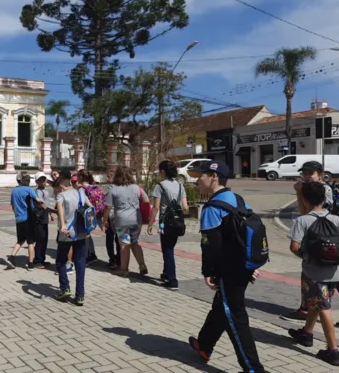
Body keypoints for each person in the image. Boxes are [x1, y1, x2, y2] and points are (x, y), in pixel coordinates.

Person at [186, 160, 265, 373]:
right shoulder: (236, 199)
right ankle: (204, 345)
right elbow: (249, 232)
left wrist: (208, 272)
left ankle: (253, 368)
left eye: (200, 175)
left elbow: (210, 245)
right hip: (243, 265)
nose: (197, 180)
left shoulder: (213, 207)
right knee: (222, 306)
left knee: (235, 317)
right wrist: (252, 262)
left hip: (230, 270)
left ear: (213, 177)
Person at [280, 161, 339, 329]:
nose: (308, 175)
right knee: (323, 275)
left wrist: (298, 193)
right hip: (318, 236)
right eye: (305, 172)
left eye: (311, 172)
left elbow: (308, 213)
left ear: (320, 174)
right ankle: (308, 309)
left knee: (331, 275)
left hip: (325, 238)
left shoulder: (323, 190)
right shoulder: (310, 188)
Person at [287, 181, 339, 367]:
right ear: (325, 199)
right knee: (318, 302)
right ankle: (307, 333)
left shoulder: (302, 220)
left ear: (304, 199)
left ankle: (333, 351)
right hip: (334, 272)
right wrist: (337, 258)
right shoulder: (337, 220)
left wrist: (308, 256)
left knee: (323, 307)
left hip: (314, 273)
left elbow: (294, 247)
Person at [147, 160, 189, 290]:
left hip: (164, 222)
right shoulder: (180, 186)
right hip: (177, 222)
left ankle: (172, 279)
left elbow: (156, 207)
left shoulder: (160, 186)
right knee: (169, 247)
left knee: (167, 250)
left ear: (163, 171)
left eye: (159, 170)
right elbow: (186, 207)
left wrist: (150, 223)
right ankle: (166, 273)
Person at [102, 166, 149, 277]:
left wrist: (105, 220)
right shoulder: (137, 188)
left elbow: (108, 207)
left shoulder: (113, 189)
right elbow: (146, 201)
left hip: (121, 221)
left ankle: (124, 269)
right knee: (135, 243)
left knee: (124, 244)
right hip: (136, 220)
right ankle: (142, 265)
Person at [55, 176, 94, 306]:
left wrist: (62, 225)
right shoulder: (81, 193)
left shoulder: (61, 195)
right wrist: (90, 227)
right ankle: (80, 295)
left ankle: (65, 288)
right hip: (81, 232)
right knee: (80, 263)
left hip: (67, 232)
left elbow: (60, 209)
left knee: (60, 261)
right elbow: (91, 208)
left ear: (61, 185)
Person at [6, 172, 44, 270]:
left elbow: (13, 206)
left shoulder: (14, 191)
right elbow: (38, 200)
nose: (28, 181)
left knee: (20, 240)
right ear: (22, 180)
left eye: (29, 179)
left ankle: (12, 257)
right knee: (30, 242)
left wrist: (17, 215)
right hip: (28, 218)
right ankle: (31, 264)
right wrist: (44, 207)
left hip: (18, 219)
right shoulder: (29, 190)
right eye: (27, 180)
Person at [75, 170, 101, 264]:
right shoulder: (93, 187)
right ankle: (92, 254)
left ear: (81, 177)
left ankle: (85, 257)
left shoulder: (82, 189)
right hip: (92, 213)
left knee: (85, 236)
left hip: (84, 214)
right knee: (88, 235)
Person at [32, 172, 55, 269]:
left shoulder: (46, 191)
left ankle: (42, 259)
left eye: (44, 179)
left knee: (44, 239)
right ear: (37, 181)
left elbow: (47, 203)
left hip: (44, 216)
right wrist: (54, 211)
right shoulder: (37, 192)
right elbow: (41, 204)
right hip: (38, 218)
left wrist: (50, 214)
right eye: (40, 180)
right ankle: (37, 260)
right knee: (40, 239)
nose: (43, 181)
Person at [104, 170, 121, 269]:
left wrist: (104, 219)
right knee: (118, 239)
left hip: (111, 217)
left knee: (109, 239)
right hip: (121, 217)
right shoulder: (123, 188)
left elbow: (108, 206)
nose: (107, 179)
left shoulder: (111, 189)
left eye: (109, 176)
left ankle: (112, 260)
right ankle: (119, 260)